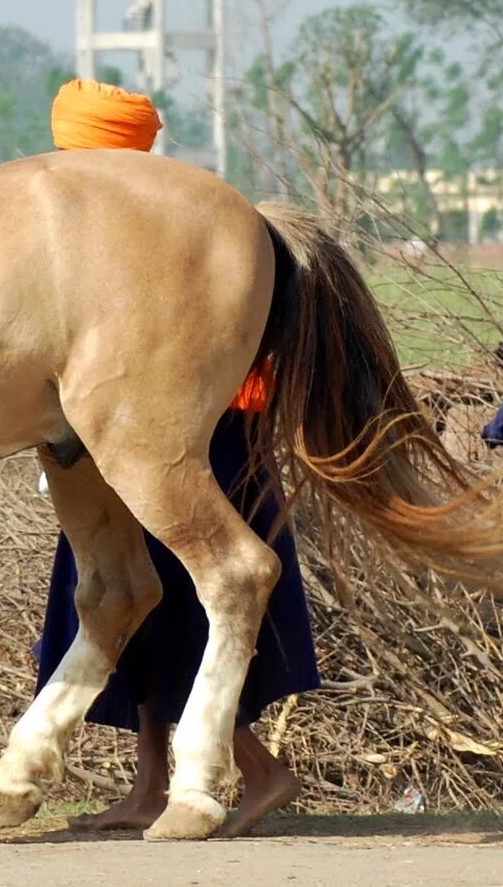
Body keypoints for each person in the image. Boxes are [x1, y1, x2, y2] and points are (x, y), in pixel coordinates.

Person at [34, 79, 321, 838]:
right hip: (123, 449)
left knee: (189, 620)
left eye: (76, 152)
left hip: (205, 446)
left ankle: (259, 771)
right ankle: (150, 786)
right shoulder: (98, 234)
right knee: (128, 620)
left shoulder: (180, 231)